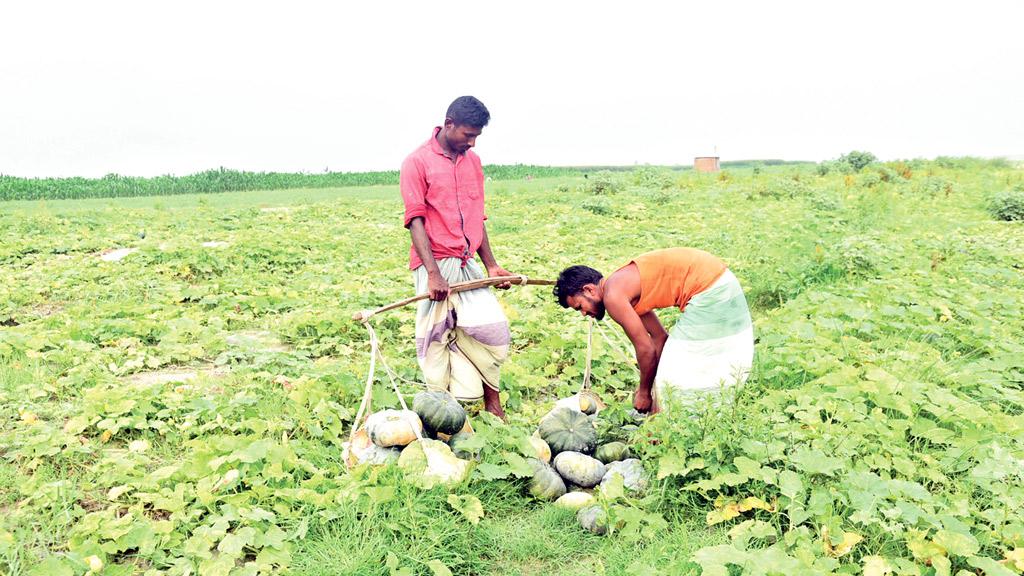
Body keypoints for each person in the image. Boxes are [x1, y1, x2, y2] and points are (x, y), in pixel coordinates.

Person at [399, 96, 514, 419]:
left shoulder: (472, 162)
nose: (472, 142)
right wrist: (433, 273)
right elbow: (415, 219)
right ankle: (441, 412)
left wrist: (491, 264)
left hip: (467, 261)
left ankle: (493, 404)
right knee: (436, 339)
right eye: (467, 134)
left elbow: (478, 217)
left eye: (477, 135)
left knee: (490, 330)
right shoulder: (417, 162)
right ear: (448, 124)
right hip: (436, 261)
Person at [553, 248, 753, 413]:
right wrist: (652, 389)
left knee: (676, 370)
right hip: (720, 279)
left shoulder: (613, 296)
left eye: (579, 306)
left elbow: (646, 349)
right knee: (679, 364)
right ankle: (683, 418)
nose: (583, 314)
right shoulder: (622, 287)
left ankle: (676, 426)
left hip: (709, 288)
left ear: (589, 290)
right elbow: (659, 337)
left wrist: (644, 392)